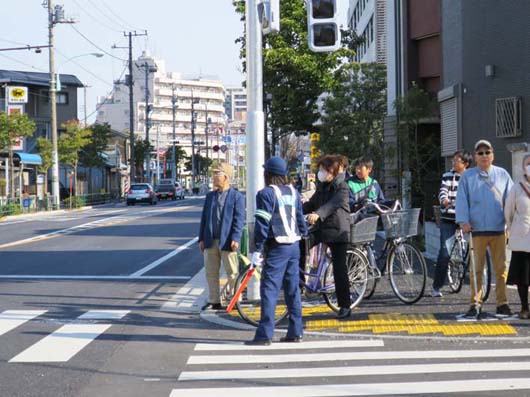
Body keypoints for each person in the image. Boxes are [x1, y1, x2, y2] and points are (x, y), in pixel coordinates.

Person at [245, 156, 307, 345]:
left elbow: (262, 224)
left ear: (268, 174)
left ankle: (265, 335)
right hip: (294, 245)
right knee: (292, 289)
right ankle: (296, 331)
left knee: (269, 290)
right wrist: (303, 234)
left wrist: (257, 249)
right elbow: (299, 218)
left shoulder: (265, 194)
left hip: (277, 246)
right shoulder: (293, 192)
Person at [455, 139, 513, 317]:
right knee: (476, 269)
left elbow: (510, 200)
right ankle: (475, 303)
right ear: (475, 157)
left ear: (493, 155)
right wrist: (463, 221)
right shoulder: (468, 176)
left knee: (501, 269)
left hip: (498, 229)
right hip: (476, 230)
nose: (484, 156)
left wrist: (511, 223)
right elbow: (462, 200)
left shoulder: (502, 174)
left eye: (487, 152)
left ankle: (502, 303)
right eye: (480, 153)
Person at [302, 154, 352, 319]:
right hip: (322, 228)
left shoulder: (342, 187)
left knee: (339, 269)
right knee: (300, 243)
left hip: (338, 231)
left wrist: (317, 214)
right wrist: (295, 209)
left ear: (333, 170)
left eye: (324, 169)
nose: (320, 173)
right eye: (320, 169)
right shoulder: (322, 186)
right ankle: (302, 282)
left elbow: (332, 205)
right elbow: (312, 203)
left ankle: (344, 305)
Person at [198, 163, 246, 310]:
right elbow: (204, 218)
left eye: (217, 174)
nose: (214, 177)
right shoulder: (210, 196)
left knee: (232, 272)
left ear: (226, 177)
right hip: (210, 240)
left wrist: (236, 238)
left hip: (228, 240)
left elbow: (239, 219)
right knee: (211, 272)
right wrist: (201, 238)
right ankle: (214, 300)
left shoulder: (237, 196)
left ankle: (235, 300)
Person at [431, 149, 472, 297]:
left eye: (457, 160)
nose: (453, 162)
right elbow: (443, 191)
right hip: (449, 217)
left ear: (466, 164)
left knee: (475, 248)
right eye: (453, 160)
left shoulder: (471, 177)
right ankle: (436, 286)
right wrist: (444, 200)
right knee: (445, 253)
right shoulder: (448, 176)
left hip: (467, 218)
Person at [505, 154, 530, 319]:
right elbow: (509, 212)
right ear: (523, 167)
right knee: (523, 276)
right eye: (528, 163)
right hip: (522, 237)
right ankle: (524, 308)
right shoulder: (516, 187)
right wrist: (516, 226)